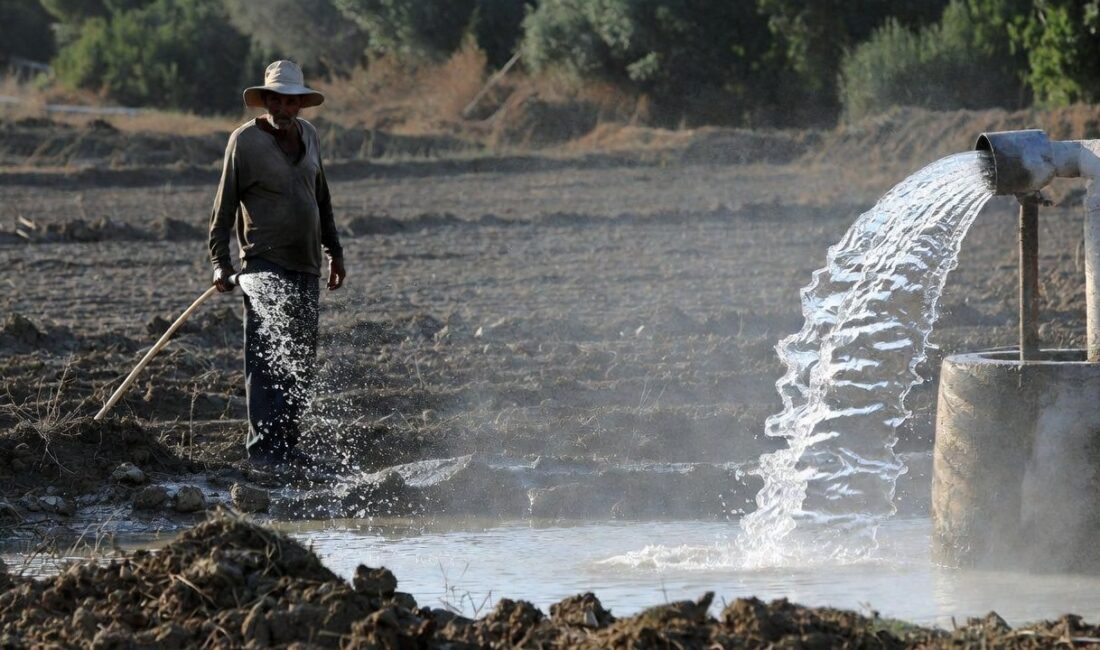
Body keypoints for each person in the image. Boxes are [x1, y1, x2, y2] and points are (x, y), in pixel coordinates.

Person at [208, 60, 346, 465]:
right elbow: (223, 207)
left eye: (294, 102)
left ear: (302, 104)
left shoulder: (310, 135)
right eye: (279, 101)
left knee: (299, 359)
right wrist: (220, 263)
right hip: (263, 266)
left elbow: (321, 197)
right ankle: (264, 454)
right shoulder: (245, 142)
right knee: (266, 359)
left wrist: (334, 251)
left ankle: (289, 447)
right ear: (266, 100)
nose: (286, 109)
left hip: (306, 264)